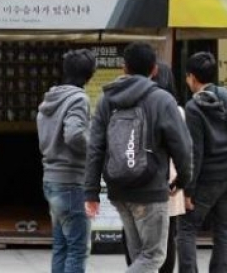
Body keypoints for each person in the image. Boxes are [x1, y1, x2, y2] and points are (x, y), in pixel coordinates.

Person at [85, 42, 192, 273]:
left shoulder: (106, 100)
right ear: (154, 69)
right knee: (154, 256)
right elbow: (182, 147)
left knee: (139, 258)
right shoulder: (162, 100)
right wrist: (182, 181)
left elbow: (95, 147)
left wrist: (91, 191)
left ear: (124, 68)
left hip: (118, 190)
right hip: (151, 190)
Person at [122, 61, 186, 273]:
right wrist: (184, 182)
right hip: (167, 185)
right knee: (164, 241)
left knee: (134, 239)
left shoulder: (130, 104)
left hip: (133, 180)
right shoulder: (176, 110)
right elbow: (184, 151)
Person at [37, 49, 96, 273]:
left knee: (61, 246)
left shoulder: (51, 97)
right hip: (71, 181)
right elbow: (74, 134)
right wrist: (94, 151)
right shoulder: (78, 99)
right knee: (77, 249)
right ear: (89, 75)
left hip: (51, 178)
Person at [178, 52, 227, 273]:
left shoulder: (193, 107)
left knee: (187, 228)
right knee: (224, 230)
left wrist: (187, 190)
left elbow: (195, 152)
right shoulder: (226, 96)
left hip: (206, 179)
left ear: (192, 77)